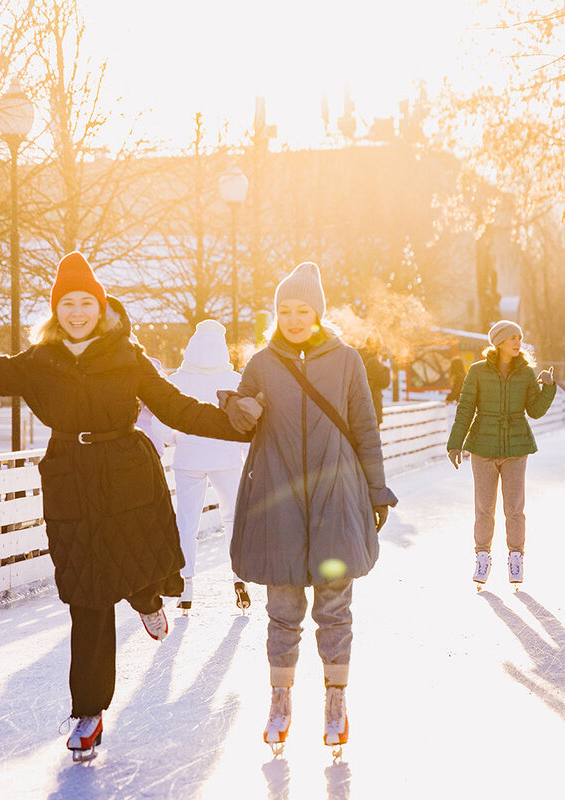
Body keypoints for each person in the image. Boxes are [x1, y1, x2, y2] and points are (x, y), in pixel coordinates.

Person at [0, 251, 262, 761]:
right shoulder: (37, 363)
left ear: (100, 307)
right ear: (56, 310)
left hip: (127, 475)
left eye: (87, 302)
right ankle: (89, 712)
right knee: (87, 594)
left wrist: (241, 424)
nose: (78, 312)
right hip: (70, 479)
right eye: (68, 304)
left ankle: (148, 600)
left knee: (137, 572)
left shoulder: (128, 357)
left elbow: (179, 409)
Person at [220, 261, 397, 756]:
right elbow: (240, 421)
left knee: (335, 605)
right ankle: (280, 699)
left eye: (302, 310)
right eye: (283, 310)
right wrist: (238, 410)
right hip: (278, 499)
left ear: (317, 312)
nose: (293, 319)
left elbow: (365, 428)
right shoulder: (262, 361)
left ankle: (336, 700)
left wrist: (377, 490)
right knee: (282, 608)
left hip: (336, 494)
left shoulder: (347, 361)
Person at [446, 321, 556, 590]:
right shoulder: (478, 371)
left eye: (519, 338)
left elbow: (535, 411)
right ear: (498, 342)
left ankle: (515, 557)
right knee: (484, 507)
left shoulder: (526, 373)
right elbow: (465, 409)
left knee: (514, 508)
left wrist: (548, 388)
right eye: (512, 339)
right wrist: (455, 443)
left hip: (516, 448)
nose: (518, 343)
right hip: (483, 446)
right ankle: (482, 557)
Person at [154, 319, 247, 614]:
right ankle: (239, 578)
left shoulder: (178, 380)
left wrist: (175, 440)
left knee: (187, 521)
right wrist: (244, 451)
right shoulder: (235, 380)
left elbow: (162, 424)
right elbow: (246, 423)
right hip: (227, 458)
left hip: (189, 459)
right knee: (233, 518)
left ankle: (186, 584)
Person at [357, 331, 391, 428]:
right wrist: (386, 367)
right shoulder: (374, 362)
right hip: (372, 410)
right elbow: (385, 382)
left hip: (359, 410)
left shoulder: (358, 356)